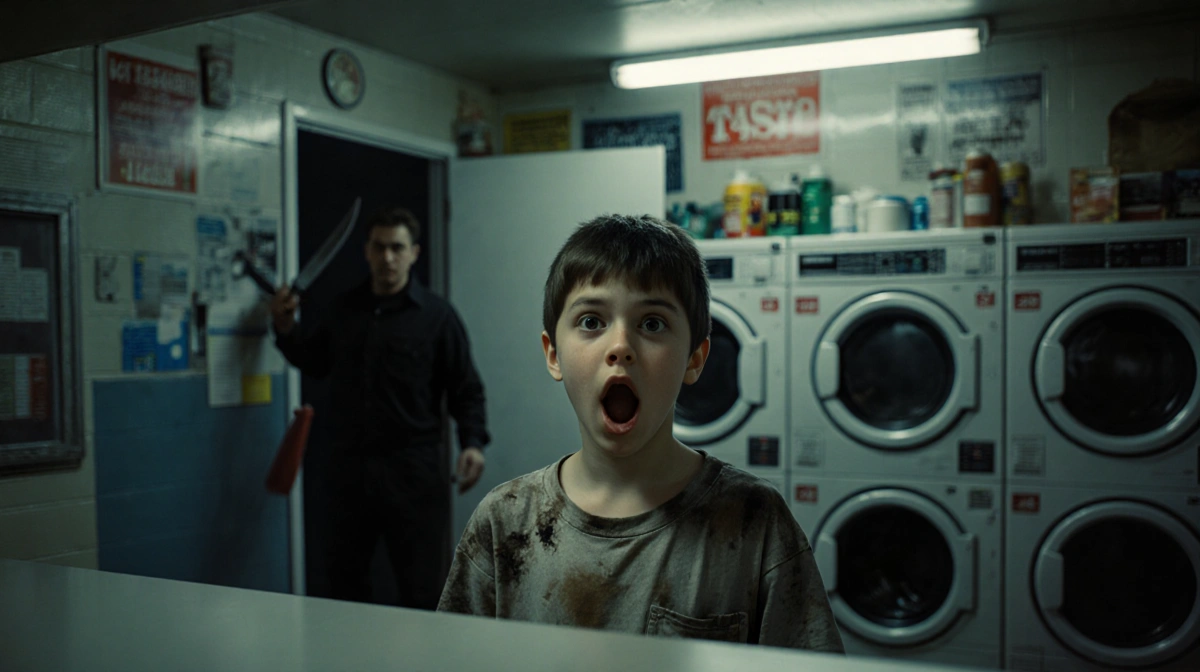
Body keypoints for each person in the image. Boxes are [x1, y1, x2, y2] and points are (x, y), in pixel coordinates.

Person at [437, 214, 843, 652]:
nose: (620, 346)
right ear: (553, 354)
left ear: (694, 358)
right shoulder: (504, 521)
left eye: (652, 324)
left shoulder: (755, 522)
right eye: (591, 321)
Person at [271, 205, 489, 610]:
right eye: (379, 247)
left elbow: (466, 388)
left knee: (422, 586)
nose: (388, 257)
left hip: (414, 473)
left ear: (414, 253)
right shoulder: (342, 310)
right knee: (343, 583)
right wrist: (286, 329)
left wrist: (472, 443)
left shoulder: (437, 317)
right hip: (348, 472)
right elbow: (314, 361)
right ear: (367, 251)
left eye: (397, 248)